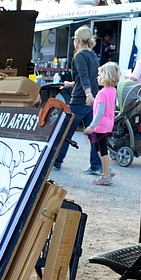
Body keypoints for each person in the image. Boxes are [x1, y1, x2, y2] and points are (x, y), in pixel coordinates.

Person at [52, 26, 102, 175]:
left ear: (78, 40)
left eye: (74, 38)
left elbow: (84, 77)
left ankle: (56, 162)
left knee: (65, 132)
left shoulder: (79, 56)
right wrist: (71, 84)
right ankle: (96, 166)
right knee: (94, 135)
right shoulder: (92, 55)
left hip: (80, 100)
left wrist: (87, 94)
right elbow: (87, 78)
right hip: (92, 101)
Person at [84, 62, 120, 186]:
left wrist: (91, 126)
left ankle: (106, 175)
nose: (97, 77)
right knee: (99, 148)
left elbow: (100, 112)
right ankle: (106, 168)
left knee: (102, 149)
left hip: (100, 125)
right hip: (108, 123)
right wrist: (95, 101)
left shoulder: (102, 93)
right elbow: (106, 106)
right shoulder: (112, 91)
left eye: (100, 75)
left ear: (106, 77)